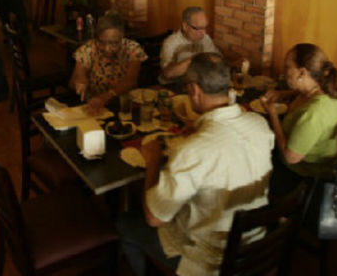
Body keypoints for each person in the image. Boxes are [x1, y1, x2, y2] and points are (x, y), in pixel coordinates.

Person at [117, 53, 274, 276]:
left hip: (211, 261)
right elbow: (231, 150)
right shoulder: (259, 124)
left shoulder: (192, 151)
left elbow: (153, 218)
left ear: (193, 90)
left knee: (127, 224)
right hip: (255, 245)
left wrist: (152, 161)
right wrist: (200, 128)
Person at [260, 43, 337, 196]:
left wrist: (272, 114)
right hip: (309, 166)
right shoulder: (324, 90)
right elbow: (306, 95)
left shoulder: (315, 112)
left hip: (303, 177)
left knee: (253, 160)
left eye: (287, 67)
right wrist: (285, 94)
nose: (284, 71)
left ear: (302, 73)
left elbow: (290, 157)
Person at [69, 12, 147, 115]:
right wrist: (80, 80)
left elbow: (130, 81)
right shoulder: (88, 49)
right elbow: (76, 79)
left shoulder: (132, 49)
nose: (107, 49)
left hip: (124, 105)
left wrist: (105, 97)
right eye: (102, 42)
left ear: (122, 37)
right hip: (93, 106)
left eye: (114, 43)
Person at [159, 6, 220, 84]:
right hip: (173, 86)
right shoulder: (171, 43)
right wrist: (196, 59)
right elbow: (168, 74)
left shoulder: (205, 39)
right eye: (198, 28)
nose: (203, 33)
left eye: (204, 28)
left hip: (197, 85)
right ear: (185, 26)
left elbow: (217, 60)